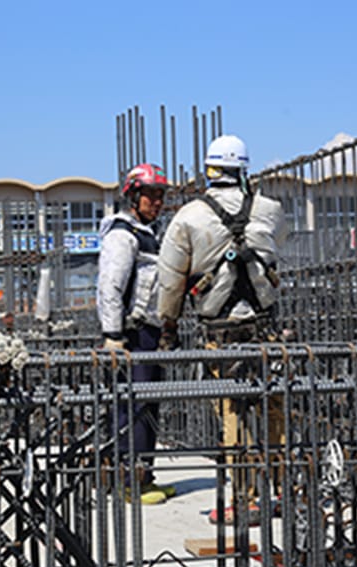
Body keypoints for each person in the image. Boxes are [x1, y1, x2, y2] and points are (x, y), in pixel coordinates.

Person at [157, 135, 287, 525]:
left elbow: (170, 280)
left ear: (209, 170)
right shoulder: (270, 209)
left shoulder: (189, 217)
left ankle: (245, 499)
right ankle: (277, 491)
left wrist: (169, 327)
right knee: (273, 404)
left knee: (232, 410)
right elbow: (275, 246)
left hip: (221, 331)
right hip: (266, 326)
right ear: (244, 169)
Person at [97, 162, 175, 505]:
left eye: (160, 196)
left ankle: (145, 476)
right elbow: (110, 286)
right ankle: (129, 481)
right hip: (131, 333)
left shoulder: (151, 233)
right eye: (150, 195)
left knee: (148, 407)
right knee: (134, 407)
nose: (156, 202)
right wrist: (112, 334)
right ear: (133, 195)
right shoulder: (122, 234)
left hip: (151, 331)